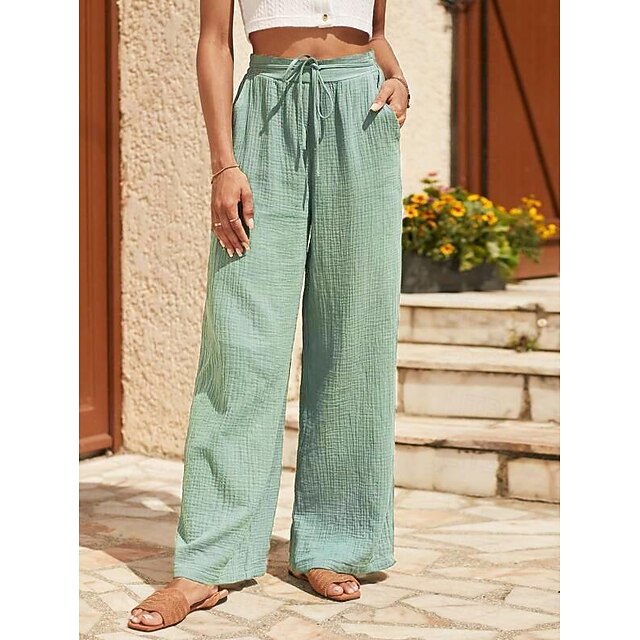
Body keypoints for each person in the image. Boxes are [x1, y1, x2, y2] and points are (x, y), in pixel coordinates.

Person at [129, 0, 409, 632]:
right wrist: (224, 164)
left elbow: (377, 34)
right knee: (240, 344)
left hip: (362, 116)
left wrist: (397, 80)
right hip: (265, 115)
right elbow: (215, 42)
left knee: (355, 340)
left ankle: (336, 542)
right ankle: (208, 561)